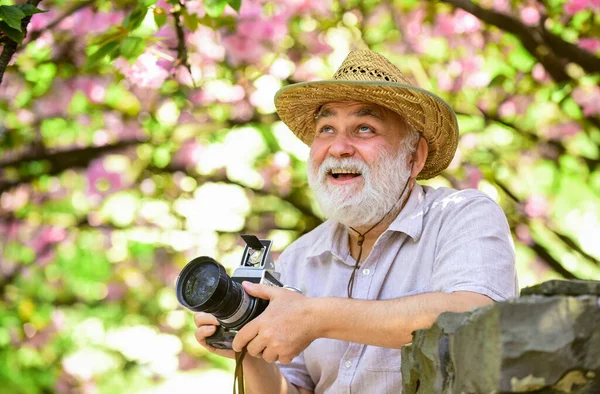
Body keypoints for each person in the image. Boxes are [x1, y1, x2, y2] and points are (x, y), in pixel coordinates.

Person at [193, 49, 518, 394]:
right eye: (327, 129)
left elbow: (476, 319)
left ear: (414, 156)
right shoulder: (300, 258)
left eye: (365, 128)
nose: (339, 148)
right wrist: (250, 343)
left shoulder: (462, 215)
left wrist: (316, 317)